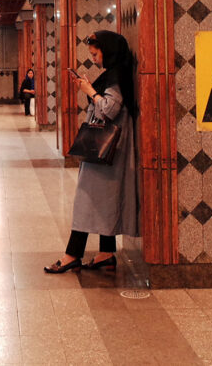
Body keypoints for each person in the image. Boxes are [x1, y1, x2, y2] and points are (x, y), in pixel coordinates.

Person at [45, 30, 139, 273]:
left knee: (86, 200)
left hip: (107, 152)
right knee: (104, 202)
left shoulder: (116, 77)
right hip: (109, 154)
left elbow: (109, 109)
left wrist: (90, 91)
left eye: (96, 54)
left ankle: (71, 255)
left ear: (109, 51)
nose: (94, 58)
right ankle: (106, 254)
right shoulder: (116, 74)